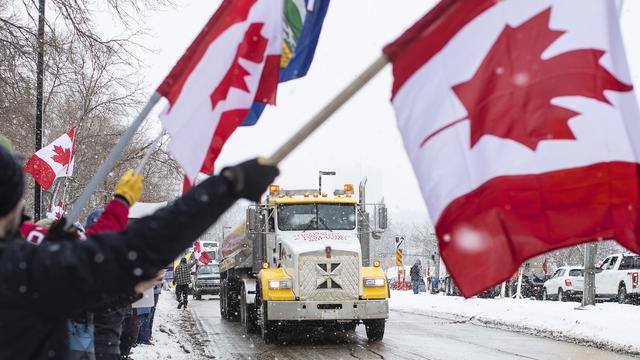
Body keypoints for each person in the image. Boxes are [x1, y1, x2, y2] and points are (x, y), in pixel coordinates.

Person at [0, 144, 279, 360]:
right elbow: (138, 246)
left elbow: (109, 256)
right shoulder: (21, 269)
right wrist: (228, 185)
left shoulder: (25, 264)